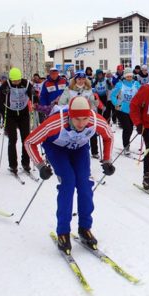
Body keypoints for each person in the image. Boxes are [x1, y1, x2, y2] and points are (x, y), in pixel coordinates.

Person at [24, 96, 115, 253]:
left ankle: (85, 228)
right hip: (57, 149)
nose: (81, 124)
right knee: (68, 183)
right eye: (77, 119)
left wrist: (107, 160)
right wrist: (40, 165)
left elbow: (109, 136)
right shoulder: (55, 122)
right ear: (69, 116)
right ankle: (63, 232)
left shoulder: (95, 120)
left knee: (85, 185)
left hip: (79, 149)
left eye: (84, 119)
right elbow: (29, 142)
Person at [0, 67, 34, 175]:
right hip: (10, 113)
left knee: (26, 139)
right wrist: (0, 113)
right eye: (14, 81)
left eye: (17, 80)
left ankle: (25, 163)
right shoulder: (6, 85)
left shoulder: (26, 84)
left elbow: (34, 96)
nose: (16, 83)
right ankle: (13, 165)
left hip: (23, 113)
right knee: (13, 139)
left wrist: (33, 95)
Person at [110, 68, 141, 154]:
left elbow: (142, 94)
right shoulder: (120, 85)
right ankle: (126, 146)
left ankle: (126, 144)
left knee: (130, 129)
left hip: (133, 110)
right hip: (121, 110)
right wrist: (116, 103)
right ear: (124, 77)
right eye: (127, 77)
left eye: (131, 76)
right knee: (128, 128)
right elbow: (112, 96)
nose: (129, 78)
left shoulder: (136, 84)